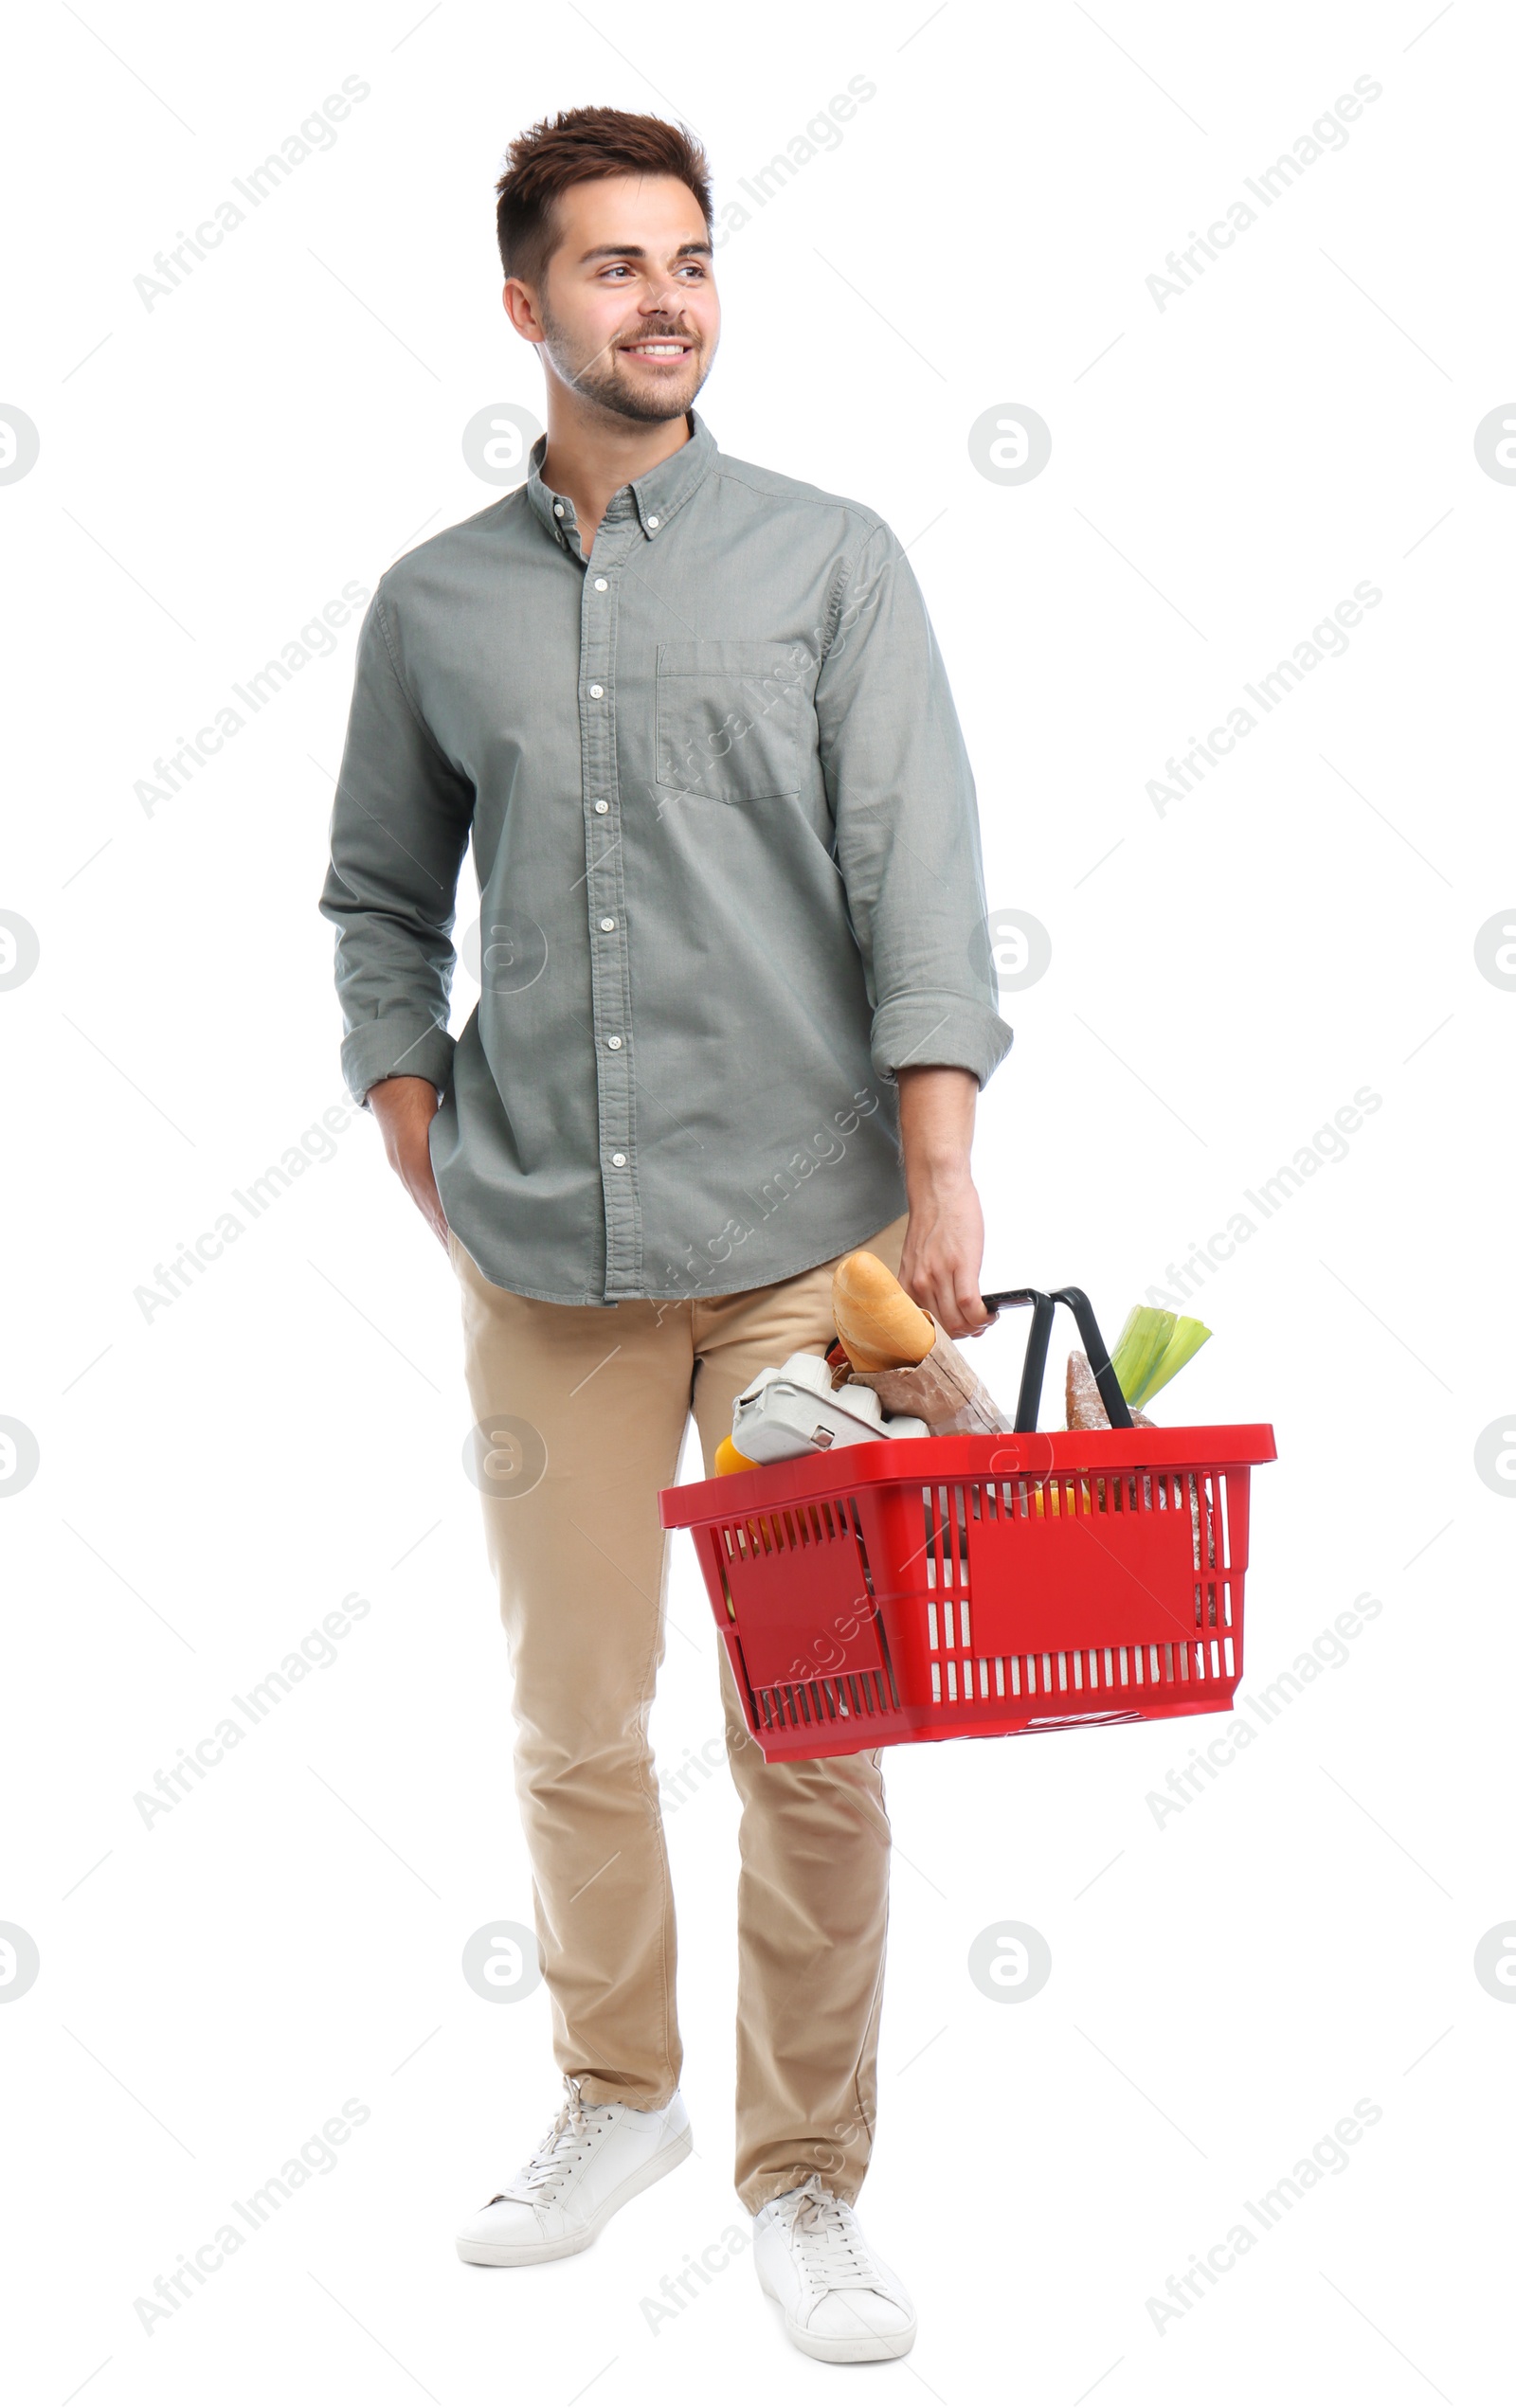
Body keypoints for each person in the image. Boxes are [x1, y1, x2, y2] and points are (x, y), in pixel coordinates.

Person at [318, 104, 1012, 2364]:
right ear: (525, 306)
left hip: (807, 1249)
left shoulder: (831, 558)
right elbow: (377, 899)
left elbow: (916, 885)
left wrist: (940, 1172)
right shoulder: (433, 605)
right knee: (569, 1715)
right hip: (542, 1259)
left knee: (811, 1726)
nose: (664, 300)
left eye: (691, 259)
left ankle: (803, 2174)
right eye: (614, 267)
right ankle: (612, 2093)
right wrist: (417, 1128)